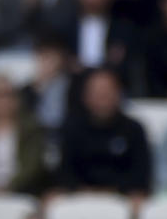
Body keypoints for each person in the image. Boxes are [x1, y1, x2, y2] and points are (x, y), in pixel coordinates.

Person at [56, 68, 152, 206]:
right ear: (85, 96)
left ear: (119, 94)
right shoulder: (72, 129)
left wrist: (112, 191)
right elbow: (65, 172)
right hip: (79, 197)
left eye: (107, 92)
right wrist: (86, 191)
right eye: (97, 93)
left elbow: (140, 175)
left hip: (123, 198)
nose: (103, 97)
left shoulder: (134, 129)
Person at [20, 36, 77, 165]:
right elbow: (22, 115)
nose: (48, 62)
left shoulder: (75, 85)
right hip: (36, 138)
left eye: (52, 56)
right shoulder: (28, 89)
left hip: (65, 138)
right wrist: (38, 87)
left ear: (62, 58)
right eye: (43, 56)